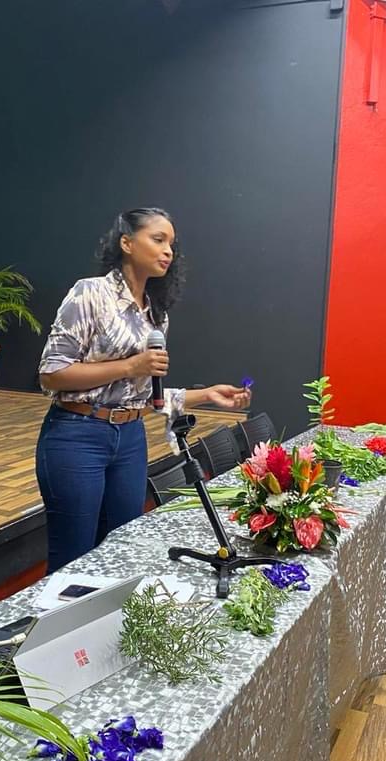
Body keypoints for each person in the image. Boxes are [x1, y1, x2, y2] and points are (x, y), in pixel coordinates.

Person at [36, 207, 251, 572]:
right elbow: (51, 373)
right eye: (158, 239)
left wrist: (206, 395)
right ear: (127, 243)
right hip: (77, 436)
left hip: (130, 440)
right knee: (73, 560)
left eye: (172, 244)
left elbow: (143, 394)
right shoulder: (91, 294)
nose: (168, 251)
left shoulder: (155, 315)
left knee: (121, 552)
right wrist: (131, 366)